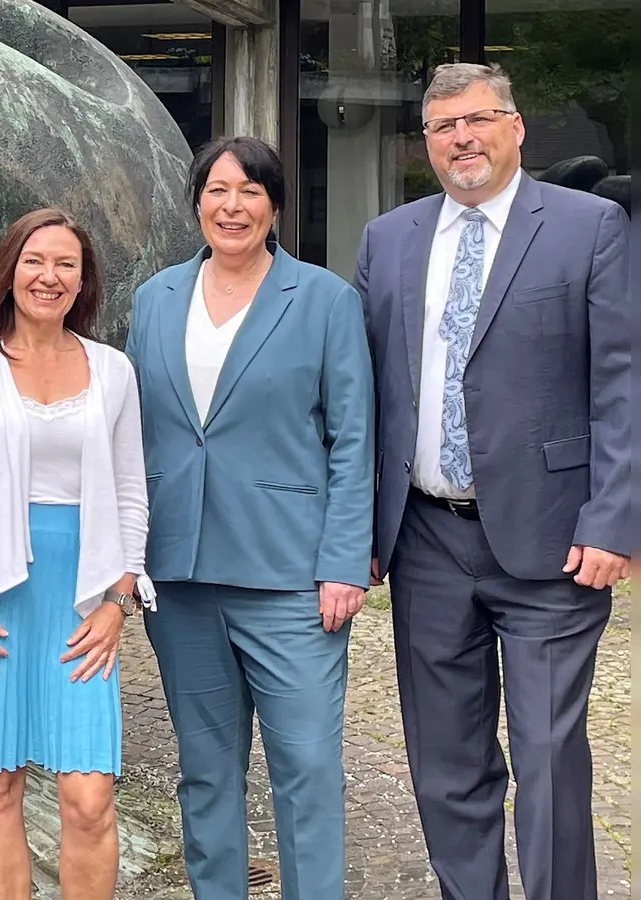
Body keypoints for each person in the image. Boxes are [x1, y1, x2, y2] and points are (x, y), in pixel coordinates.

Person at [356, 63, 630, 900]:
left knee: (548, 757)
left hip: (552, 540)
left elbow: (623, 381)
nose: (462, 138)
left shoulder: (590, 226)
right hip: (426, 540)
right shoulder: (388, 240)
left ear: (515, 127)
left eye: (478, 119)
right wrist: (357, 527)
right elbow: (362, 394)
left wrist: (615, 517)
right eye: (444, 126)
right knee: (446, 762)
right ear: (425, 142)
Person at [124, 135, 374, 900]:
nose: (232, 207)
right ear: (197, 202)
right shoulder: (154, 298)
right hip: (181, 573)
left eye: (251, 191)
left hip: (290, 577)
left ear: (275, 206)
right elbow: (134, 434)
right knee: (204, 771)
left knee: (307, 767)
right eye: (217, 191)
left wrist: (344, 561)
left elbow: (354, 439)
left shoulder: (324, 300)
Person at [0, 207, 153, 900]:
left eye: (65, 264)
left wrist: (118, 601)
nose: (49, 276)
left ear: (83, 279)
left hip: (80, 600)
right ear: (9, 270)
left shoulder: (113, 370)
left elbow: (133, 495)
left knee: (88, 798)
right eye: (35, 261)